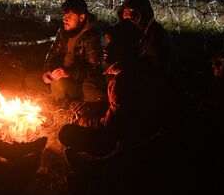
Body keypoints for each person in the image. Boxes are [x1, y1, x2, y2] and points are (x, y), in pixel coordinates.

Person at [58, 20, 164, 158]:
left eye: (114, 44)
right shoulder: (138, 66)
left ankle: (98, 165)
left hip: (126, 141)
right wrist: (93, 107)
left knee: (66, 133)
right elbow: (120, 107)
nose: (106, 49)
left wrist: (84, 120)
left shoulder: (122, 80)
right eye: (107, 43)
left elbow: (111, 127)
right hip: (137, 130)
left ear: (127, 47)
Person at [41, 0, 105, 108]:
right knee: (30, 79)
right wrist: (47, 70)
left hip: (78, 82)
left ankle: (68, 103)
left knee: (58, 83)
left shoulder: (92, 35)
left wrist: (69, 73)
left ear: (82, 17)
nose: (65, 19)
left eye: (69, 16)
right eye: (64, 15)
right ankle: (56, 96)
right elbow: (52, 54)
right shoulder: (64, 31)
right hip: (60, 76)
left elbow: (95, 68)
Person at [118, 0, 172, 79]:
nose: (129, 15)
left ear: (143, 13)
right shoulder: (126, 32)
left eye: (133, 12)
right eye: (126, 11)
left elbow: (158, 69)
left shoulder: (155, 35)